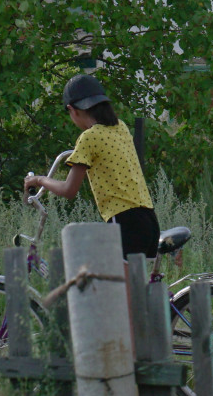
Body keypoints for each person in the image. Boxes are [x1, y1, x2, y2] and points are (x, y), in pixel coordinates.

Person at [24, 74, 159, 259]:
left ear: (72, 109)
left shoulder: (89, 137)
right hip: (148, 219)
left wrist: (39, 180)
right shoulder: (121, 127)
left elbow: (69, 190)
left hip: (125, 222)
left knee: (116, 286)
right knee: (126, 284)